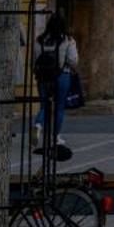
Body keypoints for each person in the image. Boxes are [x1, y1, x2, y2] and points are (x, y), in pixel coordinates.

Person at [33, 12, 79, 151]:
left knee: (44, 106)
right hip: (61, 75)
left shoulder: (39, 40)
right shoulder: (68, 40)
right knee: (59, 108)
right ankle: (55, 136)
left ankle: (38, 125)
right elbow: (73, 60)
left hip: (43, 77)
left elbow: (34, 60)